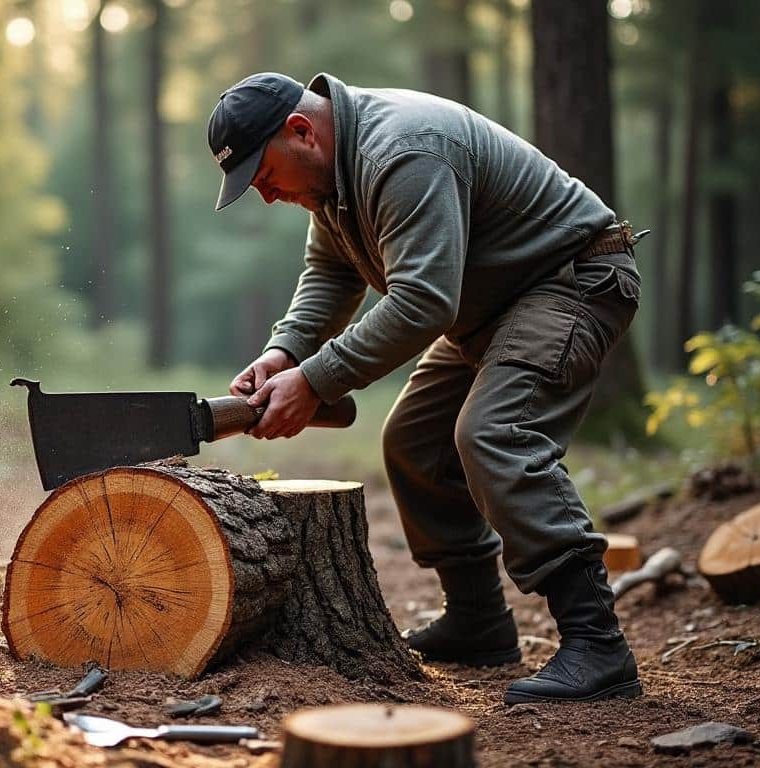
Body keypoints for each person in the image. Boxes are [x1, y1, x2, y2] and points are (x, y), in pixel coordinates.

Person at [208, 72, 645, 705]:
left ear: (301, 131)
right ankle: (479, 623)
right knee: (414, 442)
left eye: (264, 175)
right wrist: (285, 353)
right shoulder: (332, 180)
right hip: (492, 307)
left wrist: (318, 379)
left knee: (495, 435)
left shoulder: (403, 152)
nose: (267, 196)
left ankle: (598, 646)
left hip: (570, 280)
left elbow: (422, 301)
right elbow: (330, 274)